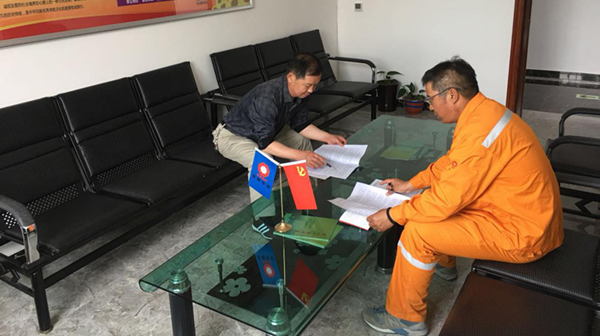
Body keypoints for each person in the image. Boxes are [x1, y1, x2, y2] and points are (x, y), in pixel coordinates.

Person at [363, 57, 563, 336]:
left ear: (452, 95)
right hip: (517, 212)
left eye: (431, 98)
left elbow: (446, 200)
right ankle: (444, 265)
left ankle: (404, 319)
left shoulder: (481, 130)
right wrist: (411, 184)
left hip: (524, 232)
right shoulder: (483, 113)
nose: (429, 106)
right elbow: (452, 163)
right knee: (438, 200)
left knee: (417, 230)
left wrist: (392, 215)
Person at [213, 53, 346, 238]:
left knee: (301, 142)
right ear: (291, 77)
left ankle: (303, 196)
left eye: (315, 85)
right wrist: (302, 156)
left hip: (270, 130)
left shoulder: (301, 92)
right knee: (263, 161)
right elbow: (265, 144)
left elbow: (300, 124)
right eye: (308, 85)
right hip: (233, 135)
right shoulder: (267, 96)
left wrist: (327, 137)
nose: (311, 90)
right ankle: (261, 218)